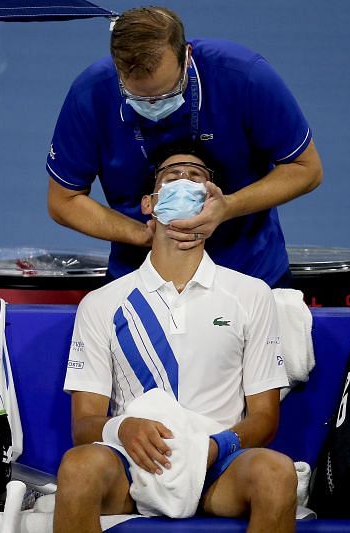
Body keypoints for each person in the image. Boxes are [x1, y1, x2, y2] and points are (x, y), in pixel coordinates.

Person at [53, 147, 298, 533]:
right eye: (172, 176)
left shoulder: (251, 295)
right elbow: (84, 425)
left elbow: (265, 417)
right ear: (149, 204)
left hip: (217, 468)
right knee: (78, 468)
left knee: (277, 474)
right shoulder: (102, 304)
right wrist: (124, 428)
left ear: (212, 199)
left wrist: (215, 447)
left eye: (197, 176)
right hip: (133, 466)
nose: (185, 181)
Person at [46, 6, 323, 289]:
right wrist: (142, 234)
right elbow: (63, 201)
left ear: (187, 57)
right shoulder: (90, 95)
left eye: (167, 93)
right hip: (138, 279)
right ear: (118, 71)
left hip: (250, 275)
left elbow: (306, 169)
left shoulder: (244, 76)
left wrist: (228, 207)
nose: (154, 106)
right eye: (138, 98)